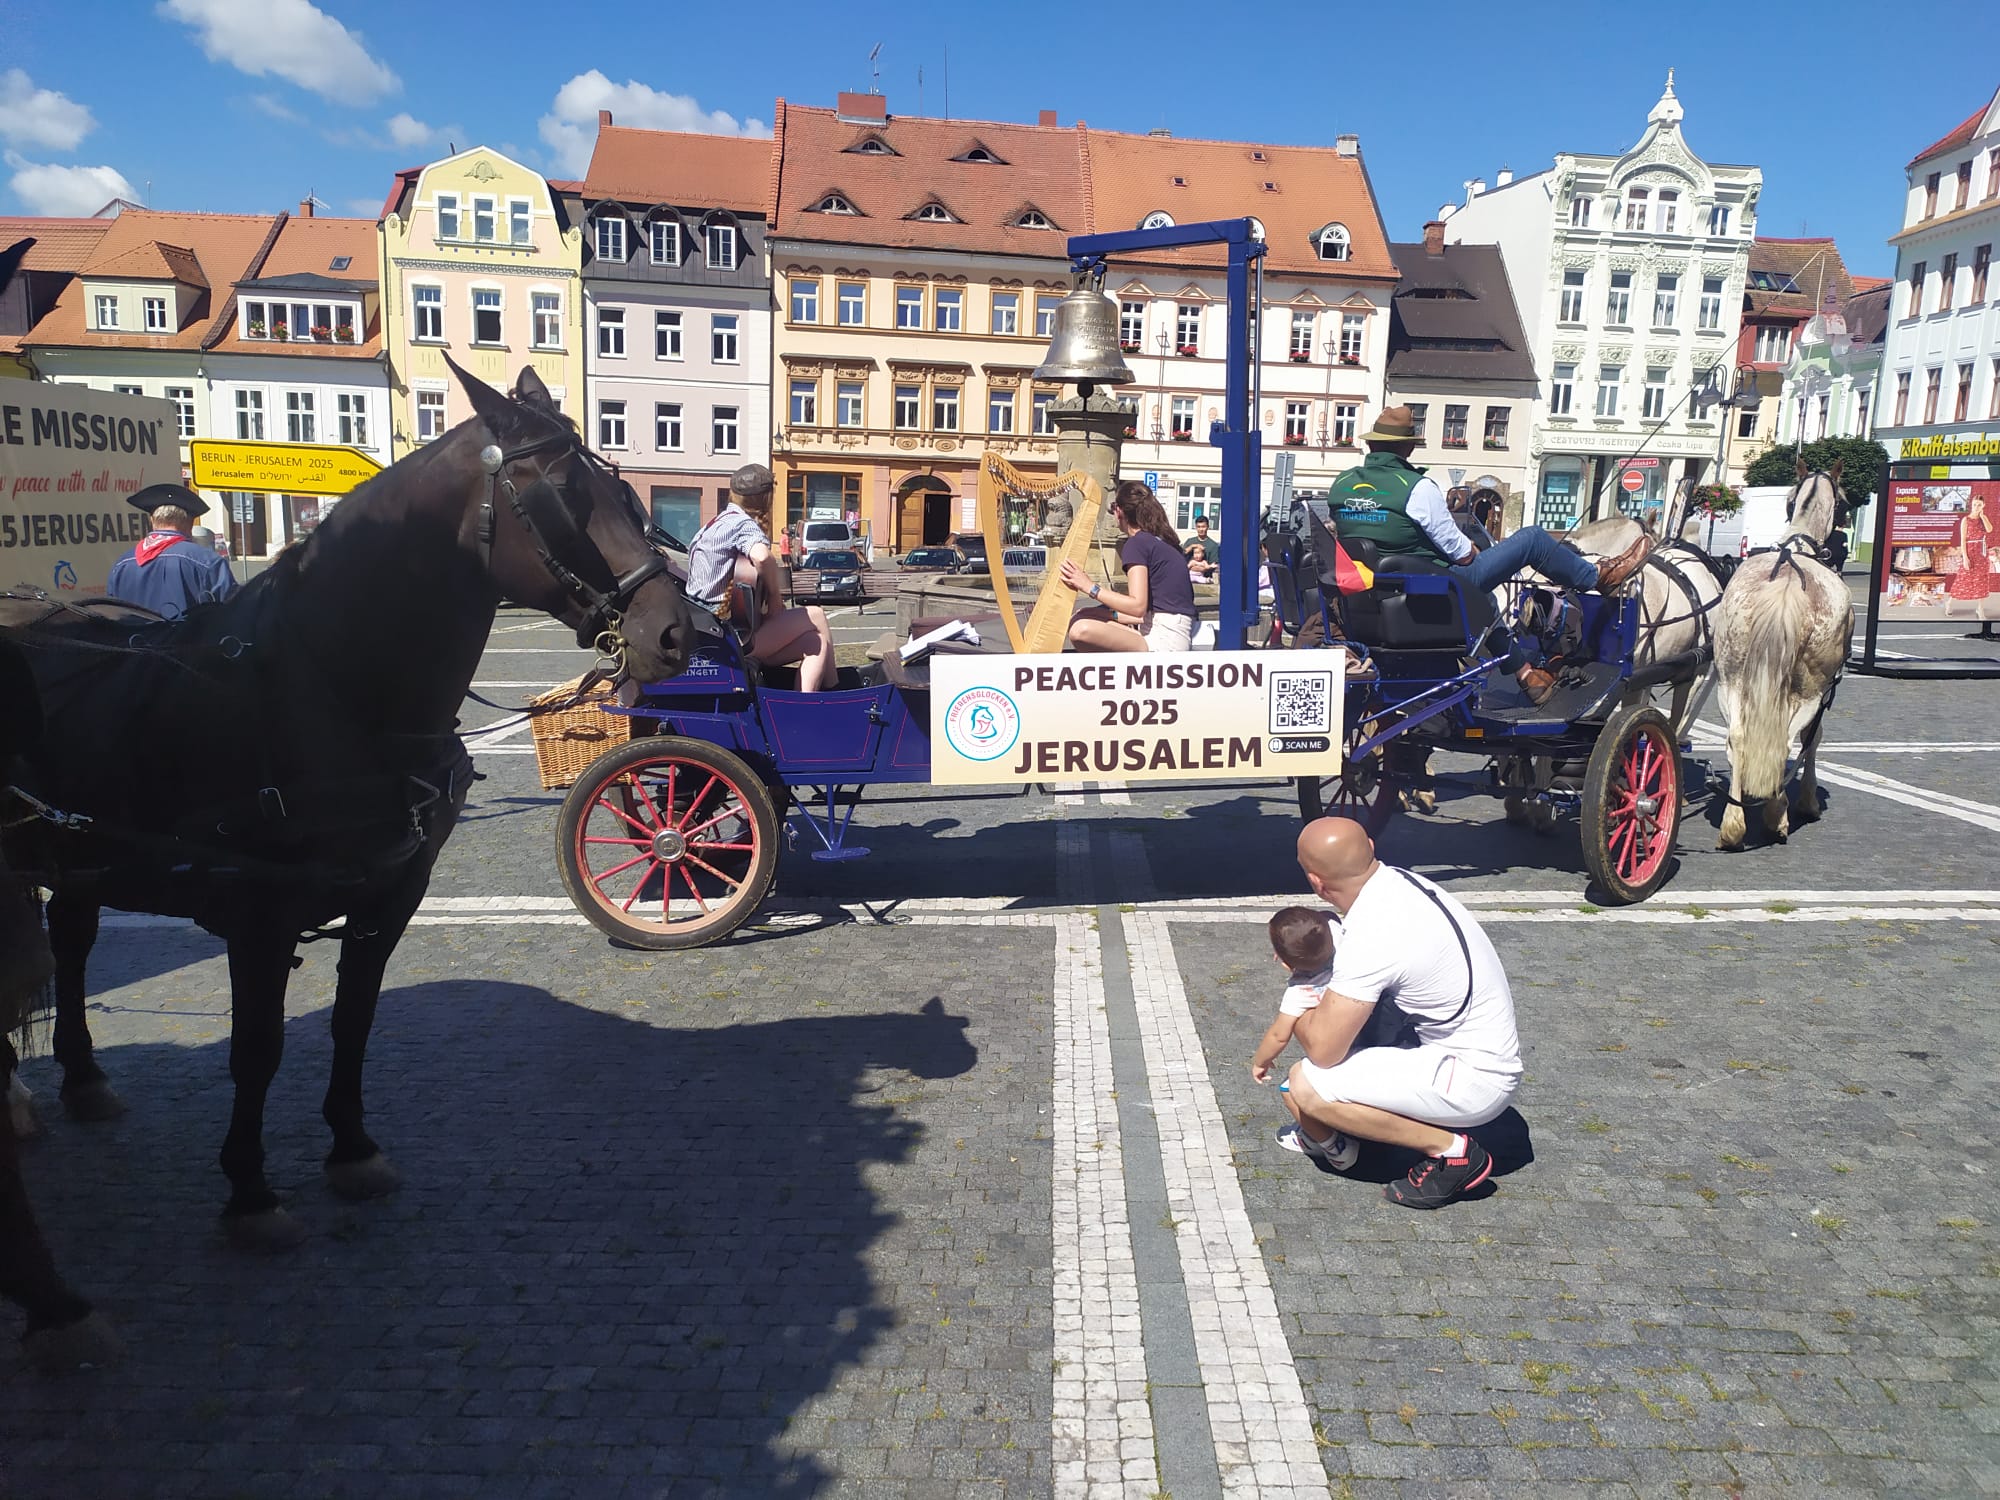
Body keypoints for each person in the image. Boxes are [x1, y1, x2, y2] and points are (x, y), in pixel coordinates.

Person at [1277, 817, 1524, 1210]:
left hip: (1474, 1078)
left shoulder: (1374, 934)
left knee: (1306, 1084)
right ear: (1371, 848)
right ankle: (1376, 1131)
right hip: (1477, 1050)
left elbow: (1324, 1049)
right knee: (1353, 1032)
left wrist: (1302, 986)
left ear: (1316, 882)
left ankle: (1453, 1151)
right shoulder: (1400, 883)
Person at [1326, 407, 1652, 704]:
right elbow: (1462, 554)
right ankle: (1597, 576)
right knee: (1533, 540)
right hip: (1427, 590)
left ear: (1371, 445)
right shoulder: (1416, 487)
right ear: (1408, 447)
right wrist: (1474, 549)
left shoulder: (1341, 485)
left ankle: (1527, 676)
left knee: (1485, 601)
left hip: (1369, 599)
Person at [685, 464, 835, 691]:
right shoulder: (742, 524)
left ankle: (804, 707)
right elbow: (763, 557)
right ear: (766, 498)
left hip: (709, 630)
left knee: (816, 642)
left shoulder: (713, 524)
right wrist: (775, 597)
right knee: (817, 615)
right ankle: (837, 689)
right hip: (729, 636)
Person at [1059, 481, 1197, 653]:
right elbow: (1148, 612)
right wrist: (1105, 613)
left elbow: (1138, 607)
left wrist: (1089, 587)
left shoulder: (1137, 543)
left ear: (1119, 511)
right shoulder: (1162, 543)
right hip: (1171, 634)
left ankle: (1115, 678)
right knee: (1082, 616)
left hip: (1163, 642)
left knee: (1080, 629)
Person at [105, 483, 239, 619]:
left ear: (152, 520)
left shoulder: (122, 563)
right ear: (190, 523)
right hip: (187, 640)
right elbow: (233, 614)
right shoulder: (207, 562)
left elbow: (112, 614)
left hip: (132, 640)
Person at [1248, 905, 1338, 1093]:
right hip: (1370, 1024)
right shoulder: (1338, 936)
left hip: (1333, 1047)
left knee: (1288, 1089)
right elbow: (1327, 919)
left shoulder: (1300, 992)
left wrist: (1260, 1062)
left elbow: (1278, 1036)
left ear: (1284, 960)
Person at [1183, 515, 1220, 584]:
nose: (1201, 529)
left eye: (1203, 527)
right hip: (1187, 579)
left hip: (1204, 579)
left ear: (1208, 527)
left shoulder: (1213, 545)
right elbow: (1181, 555)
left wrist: (1198, 568)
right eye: (1198, 527)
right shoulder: (1190, 542)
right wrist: (1192, 546)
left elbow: (1213, 565)